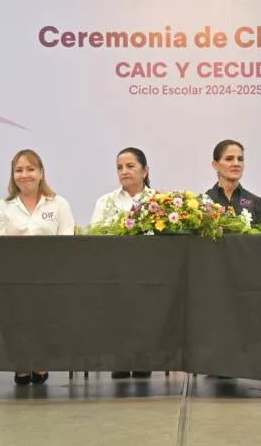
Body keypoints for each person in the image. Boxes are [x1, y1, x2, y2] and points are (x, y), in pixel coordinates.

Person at [0, 149, 75, 385]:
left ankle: (41, 362)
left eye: (30, 169)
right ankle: (20, 363)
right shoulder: (4, 206)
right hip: (13, 278)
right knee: (15, 315)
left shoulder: (58, 204)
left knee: (45, 316)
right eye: (19, 170)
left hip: (50, 277)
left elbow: (67, 241)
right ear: (13, 175)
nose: (24, 174)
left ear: (41, 173)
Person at [89, 147, 154, 379]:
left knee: (146, 315)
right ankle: (120, 360)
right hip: (115, 271)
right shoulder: (105, 201)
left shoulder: (160, 201)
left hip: (149, 273)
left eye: (130, 166)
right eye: (120, 167)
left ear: (145, 171)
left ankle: (144, 359)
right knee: (118, 316)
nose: (124, 171)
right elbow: (96, 237)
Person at [205, 139, 261, 230]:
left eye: (240, 159)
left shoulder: (256, 203)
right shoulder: (203, 202)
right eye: (229, 159)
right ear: (215, 165)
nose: (236, 163)